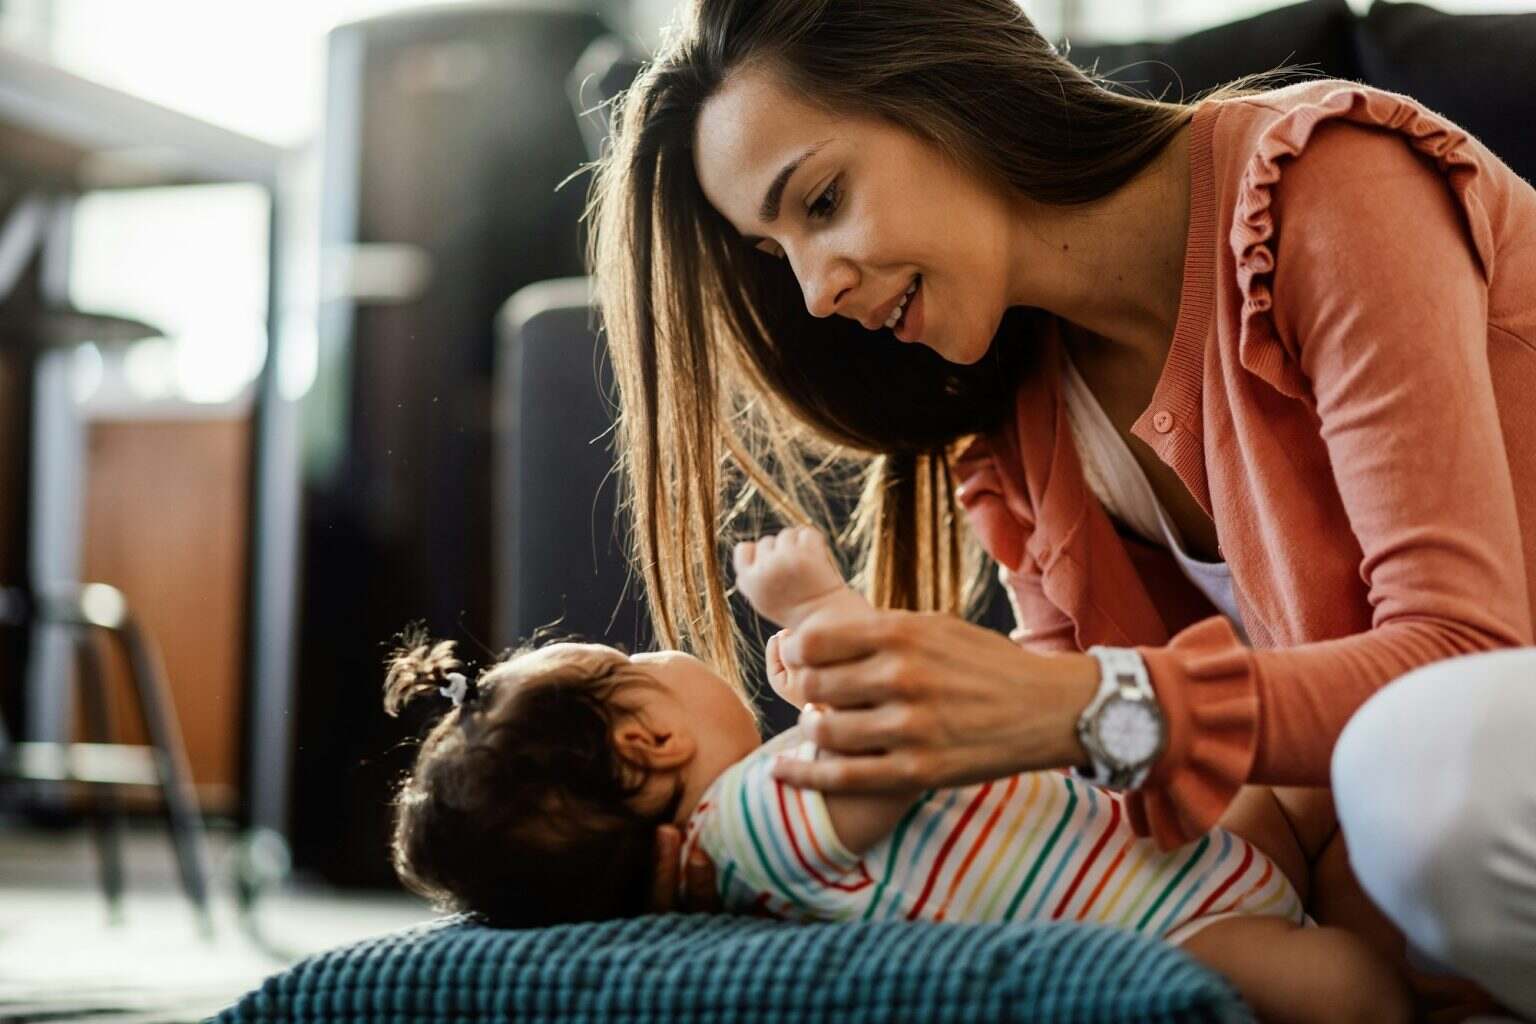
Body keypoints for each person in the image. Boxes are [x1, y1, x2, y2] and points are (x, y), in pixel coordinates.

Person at [585, 0, 1536, 1017]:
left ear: (949, 86)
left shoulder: (1327, 185)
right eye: (776, 255)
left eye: (821, 201)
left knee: (1421, 769)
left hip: (1485, 770)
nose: (815, 293)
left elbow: (1460, 657)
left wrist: (1083, 707)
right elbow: (1169, 816)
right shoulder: (1017, 433)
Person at [382, 526, 1410, 1024]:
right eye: (628, 666)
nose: (656, 652)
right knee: (1343, 987)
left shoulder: (753, 838)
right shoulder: (745, 827)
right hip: (1163, 913)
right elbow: (884, 760)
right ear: (646, 741)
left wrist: (817, 696)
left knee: (1293, 776)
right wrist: (819, 608)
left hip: (1158, 845)